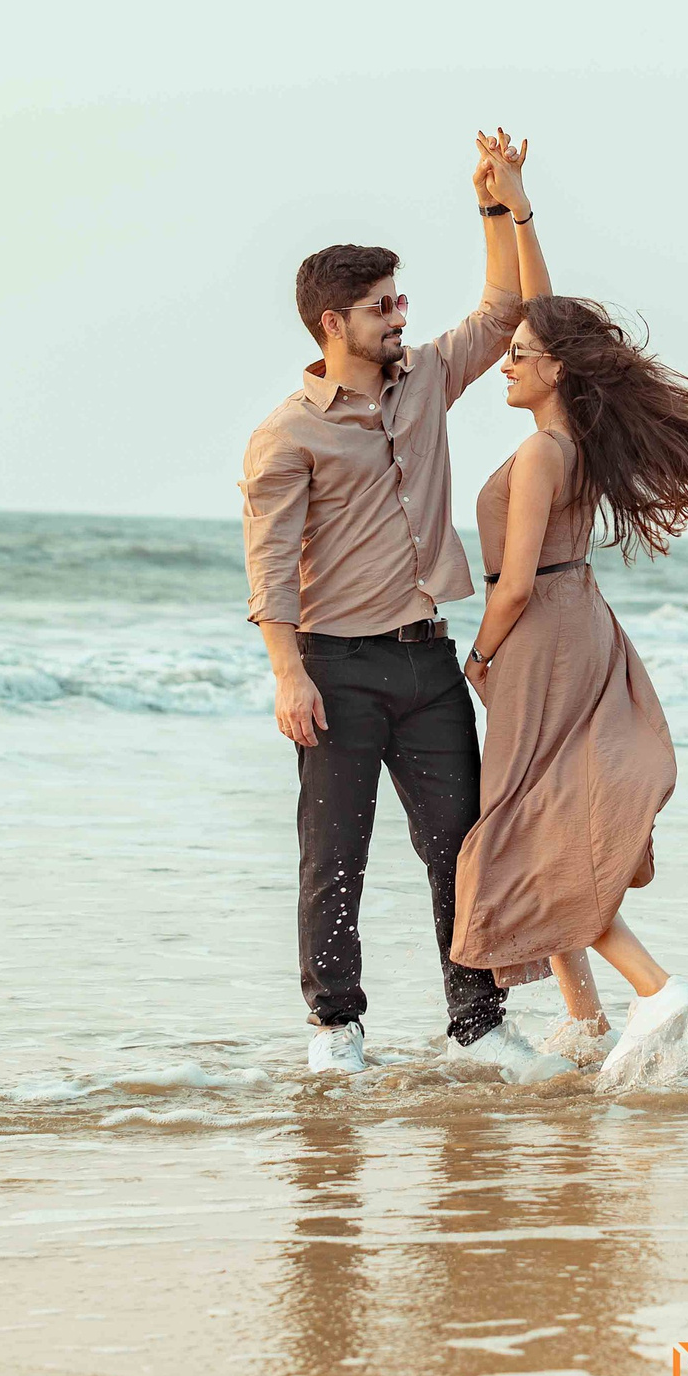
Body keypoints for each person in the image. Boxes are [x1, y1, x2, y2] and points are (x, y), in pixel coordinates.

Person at [239, 131, 571, 1083]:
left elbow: (504, 306)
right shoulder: (287, 437)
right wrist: (288, 676)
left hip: (428, 663)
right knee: (333, 857)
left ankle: (478, 1025)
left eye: (400, 301)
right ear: (333, 324)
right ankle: (336, 1030)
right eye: (381, 307)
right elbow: (269, 568)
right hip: (335, 668)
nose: (399, 316)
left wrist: (496, 202)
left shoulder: (425, 378)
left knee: (461, 850)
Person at [451, 295, 688, 1092]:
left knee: (527, 829)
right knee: (546, 820)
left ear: (558, 367)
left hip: (541, 636)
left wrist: (479, 655)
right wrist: (511, 224)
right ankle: (586, 1020)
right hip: (578, 621)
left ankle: (655, 988)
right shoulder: (576, 445)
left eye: (520, 353)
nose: (505, 364)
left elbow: (514, 583)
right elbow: (539, 301)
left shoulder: (542, 452)